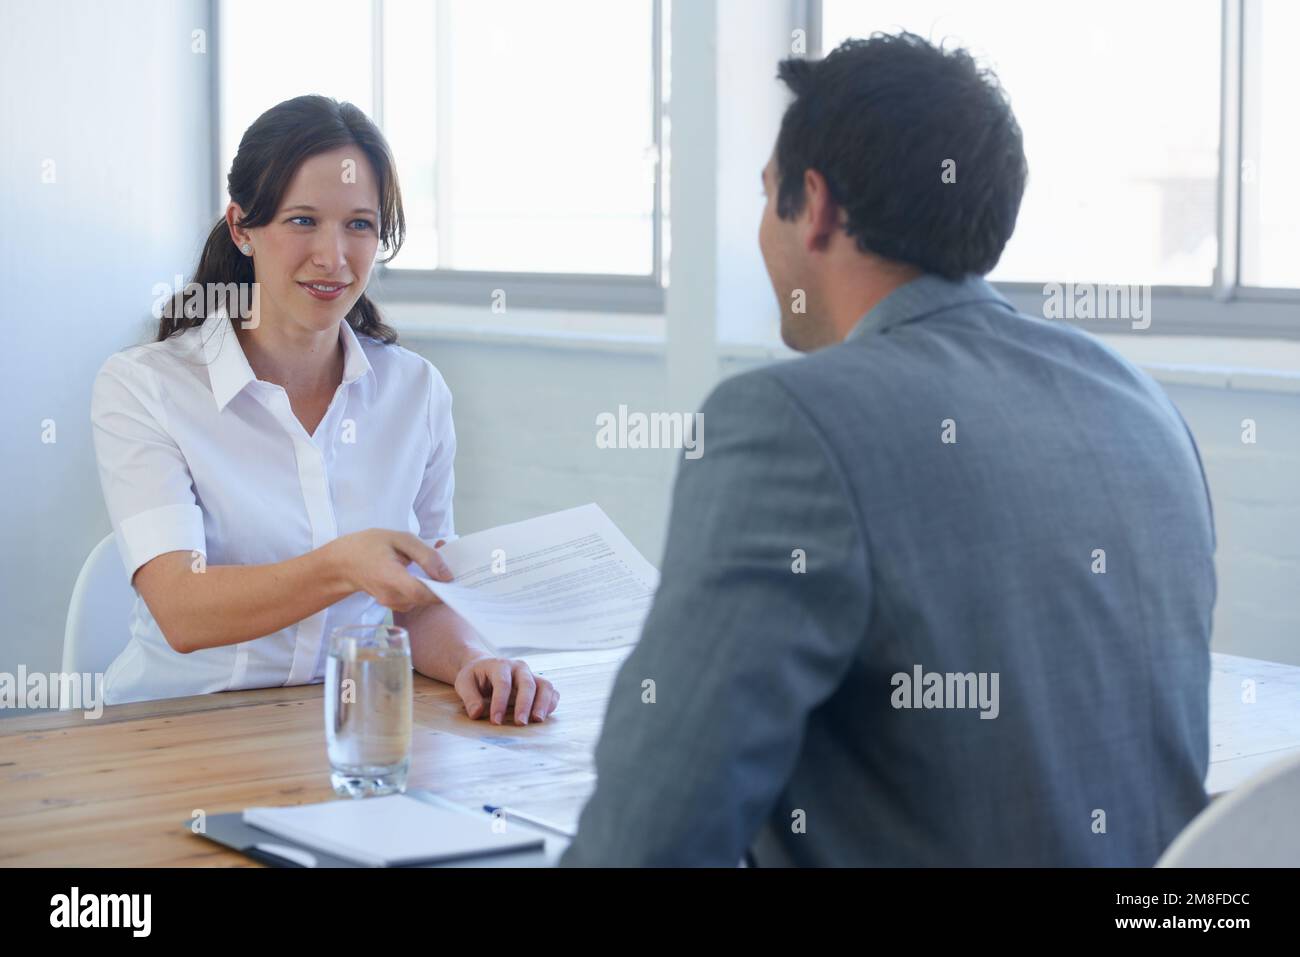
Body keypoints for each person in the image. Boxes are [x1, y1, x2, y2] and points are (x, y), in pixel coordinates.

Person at [561, 34, 1215, 866]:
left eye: (769, 198)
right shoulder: (1141, 406)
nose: (760, 233)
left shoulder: (788, 423)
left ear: (819, 205)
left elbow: (648, 840)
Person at [91, 95, 557, 725]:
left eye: (359, 225)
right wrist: (341, 567)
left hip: (345, 729)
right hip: (174, 730)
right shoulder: (146, 386)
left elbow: (417, 602)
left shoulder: (415, 392)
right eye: (303, 221)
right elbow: (181, 608)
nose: (333, 257)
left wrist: (473, 659)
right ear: (242, 228)